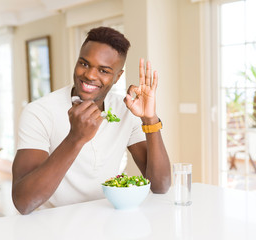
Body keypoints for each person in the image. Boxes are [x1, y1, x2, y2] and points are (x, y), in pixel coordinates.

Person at [12, 26, 171, 215]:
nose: (90, 75)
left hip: (106, 223)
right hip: (53, 226)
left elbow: (160, 185)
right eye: (84, 64)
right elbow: (23, 202)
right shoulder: (39, 112)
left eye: (104, 70)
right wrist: (75, 138)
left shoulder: (126, 110)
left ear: (117, 76)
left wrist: (149, 119)